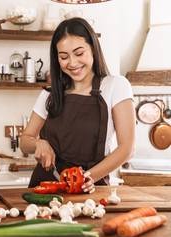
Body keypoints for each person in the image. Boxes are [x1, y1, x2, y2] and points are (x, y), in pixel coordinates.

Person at [20, 17, 136, 193]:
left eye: (79, 53)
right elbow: (24, 141)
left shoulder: (115, 85)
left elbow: (127, 148)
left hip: (91, 186)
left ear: (93, 49)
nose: (72, 63)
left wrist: (87, 177)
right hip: (46, 185)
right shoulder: (50, 94)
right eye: (64, 57)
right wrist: (39, 143)